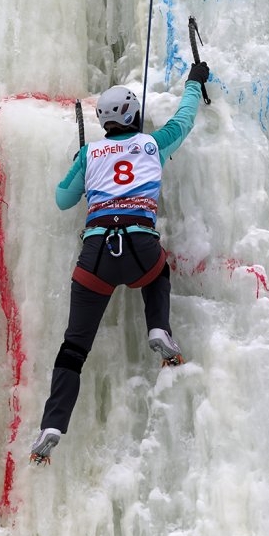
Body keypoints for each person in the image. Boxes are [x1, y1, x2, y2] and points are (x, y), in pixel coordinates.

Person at [30, 61, 210, 465]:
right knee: (158, 272)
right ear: (134, 114)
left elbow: (63, 200)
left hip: (96, 257)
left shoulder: (91, 153)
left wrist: (81, 161)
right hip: (141, 248)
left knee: (73, 348)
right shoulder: (152, 144)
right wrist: (195, 82)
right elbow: (183, 119)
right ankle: (159, 328)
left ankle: (52, 424)